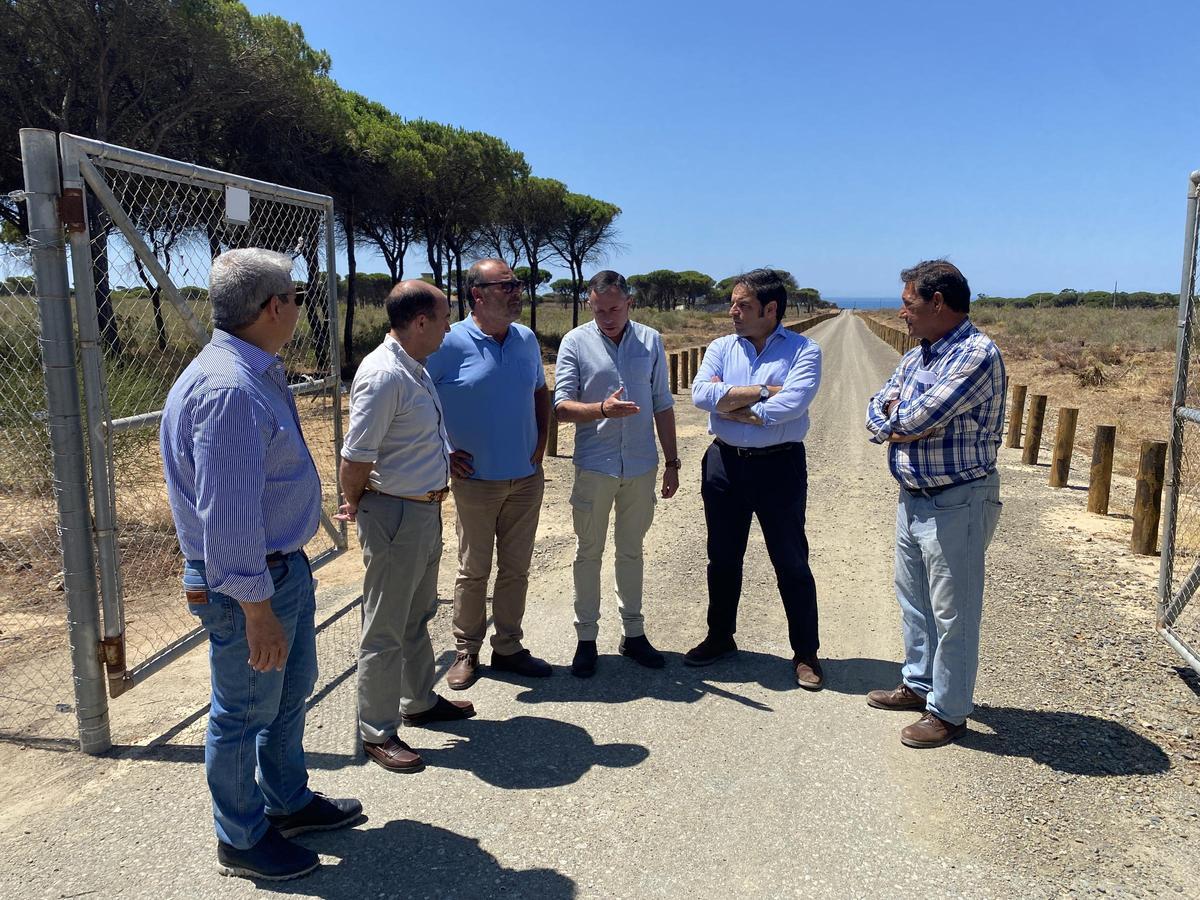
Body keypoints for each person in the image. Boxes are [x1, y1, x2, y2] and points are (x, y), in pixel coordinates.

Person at [161, 248, 360, 882]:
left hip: (281, 569)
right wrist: (256, 610)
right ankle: (242, 839)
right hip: (251, 582)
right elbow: (228, 518)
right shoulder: (228, 388)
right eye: (296, 297)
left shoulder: (254, 368)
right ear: (276, 306)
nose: (298, 307)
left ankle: (288, 802)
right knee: (243, 712)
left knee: (288, 694)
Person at [864, 260, 1005, 749]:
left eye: (908, 303)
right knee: (915, 602)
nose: (903, 313)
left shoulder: (976, 355)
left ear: (937, 302)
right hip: (914, 498)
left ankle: (948, 711)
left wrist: (897, 418)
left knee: (954, 613)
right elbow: (879, 407)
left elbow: (919, 412)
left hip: (958, 501)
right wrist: (897, 421)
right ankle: (918, 684)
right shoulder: (920, 355)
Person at [336, 280, 475, 773]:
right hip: (394, 514)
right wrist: (353, 506)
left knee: (416, 615)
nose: (448, 326)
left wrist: (441, 458)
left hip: (422, 508)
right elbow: (357, 455)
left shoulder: (413, 367)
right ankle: (376, 729)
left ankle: (417, 700)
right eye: (443, 317)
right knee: (385, 627)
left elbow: (404, 437)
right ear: (420, 322)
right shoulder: (383, 374)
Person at [688, 268, 825, 688]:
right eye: (732, 303)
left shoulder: (805, 350)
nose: (732, 311)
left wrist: (733, 400)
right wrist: (766, 390)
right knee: (723, 557)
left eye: (742, 305)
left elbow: (795, 403)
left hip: (779, 466)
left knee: (790, 559)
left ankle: (806, 653)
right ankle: (720, 636)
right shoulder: (720, 347)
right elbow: (700, 395)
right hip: (724, 464)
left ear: (770, 309)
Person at [425, 259, 553, 688]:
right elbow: (419, 399)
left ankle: (509, 646)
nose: (517, 291)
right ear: (477, 294)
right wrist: (442, 451)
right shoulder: (448, 342)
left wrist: (541, 443)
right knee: (473, 569)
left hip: (525, 478)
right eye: (506, 286)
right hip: (475, 482)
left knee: (516, 568)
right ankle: (466, 650)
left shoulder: (526, 339)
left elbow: (540, 390)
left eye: (518, 284)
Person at [553, 270, 680, 677]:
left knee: (631, 551)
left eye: (614, 308)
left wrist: (673, 463)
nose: (607, 316)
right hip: (595, 465)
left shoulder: (651, 340)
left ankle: (634, 634)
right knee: (588, 553)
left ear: (629, 303)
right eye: (599, 309)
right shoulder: (575, 342)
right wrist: (601, 410)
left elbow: (662, 402)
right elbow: (561, 407)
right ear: (590, 304)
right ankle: (586, 638)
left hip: (641, 465)